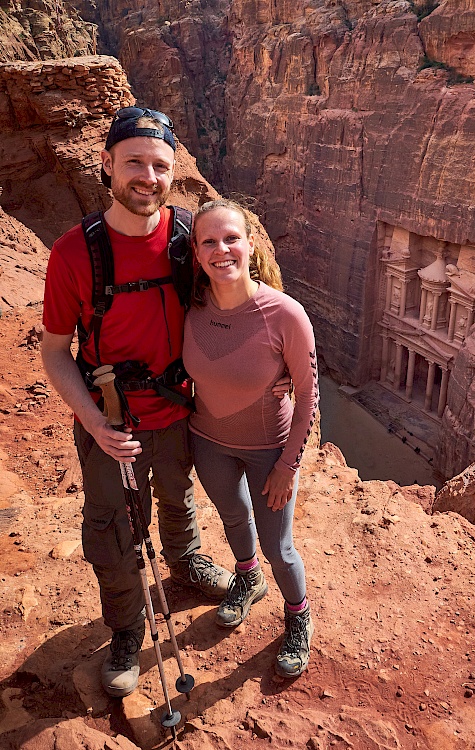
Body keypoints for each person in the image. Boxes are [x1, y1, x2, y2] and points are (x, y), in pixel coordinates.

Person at [41, 108, 288, 698]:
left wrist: (275, 372)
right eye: (134, 163)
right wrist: (94, 422)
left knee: (177, 497)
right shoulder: (74, 254)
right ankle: (127, 630)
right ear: (106, 164)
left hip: (180, 411)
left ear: (173, 173)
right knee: (114, 529)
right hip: (112, 420)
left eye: (160, 166)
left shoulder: (189, 239)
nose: (147, 177)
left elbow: (248, 298)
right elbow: (54, 352)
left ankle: (186, 562)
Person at [182, 199, 319, 678]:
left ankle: (298, 616)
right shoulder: (189, 307)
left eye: (231, 238)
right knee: (233, 516)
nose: (222, 250)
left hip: (269, 452)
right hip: (208, 442)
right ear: (196, 254)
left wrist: (288, 465)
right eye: (209, 242)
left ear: (251, 245)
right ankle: (246, 575)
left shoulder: (285, 314)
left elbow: (308, 395)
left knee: (279, 548)